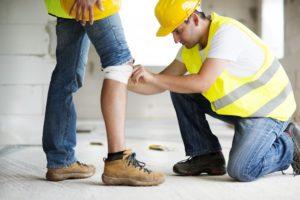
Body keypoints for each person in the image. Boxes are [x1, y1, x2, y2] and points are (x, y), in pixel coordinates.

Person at [128, 0, 300, 181]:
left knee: (242, 169)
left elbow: (201, 83)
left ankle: (289, 143)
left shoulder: (226, 33)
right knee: (176, 85)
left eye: (178, 31)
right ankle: (206, 156)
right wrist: (121, 79)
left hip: (268, 111)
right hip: (243, 109)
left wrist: (153, 77)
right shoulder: (190, 49)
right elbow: (158, 84)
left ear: (194, 19)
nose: (175, 39)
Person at [42, 0, 164, 186]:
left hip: (63, 4)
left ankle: (60, 160)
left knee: (66, 75)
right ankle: (118, 160)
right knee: (119, 64)